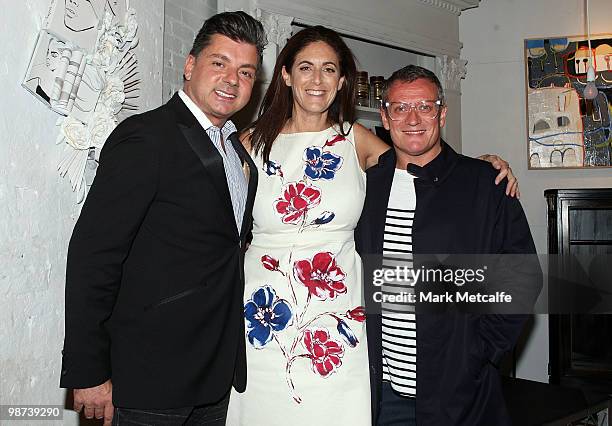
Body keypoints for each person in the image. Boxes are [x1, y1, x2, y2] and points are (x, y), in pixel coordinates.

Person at [227, 26, 518, 426]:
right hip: (262, 317)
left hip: (338, 320)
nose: (317, 79)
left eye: (329, 69)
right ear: (285, 75)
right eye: (306, 67)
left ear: (342, 80)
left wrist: (486, 169)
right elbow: (220, 231)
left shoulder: (355, 140)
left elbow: (423, 162)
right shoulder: (247, 144)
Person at [60, 11, 266, 426]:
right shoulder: (146, 137)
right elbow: (93, 255)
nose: (232, 80)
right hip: (150, 374)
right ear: (190, 65)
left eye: (245, 72)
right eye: (219, 63)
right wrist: (89, 372)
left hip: (213, 376)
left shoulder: (238, 156)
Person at [355, 65, 541, 426]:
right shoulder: (364, 187)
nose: (413, 119)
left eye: (424, 106)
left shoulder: (485, 184)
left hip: (460, 397)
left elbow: (523, 277)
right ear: (384, 116)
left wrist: (477, 351)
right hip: (380, 396)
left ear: (441, 113)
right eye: (400, 108)